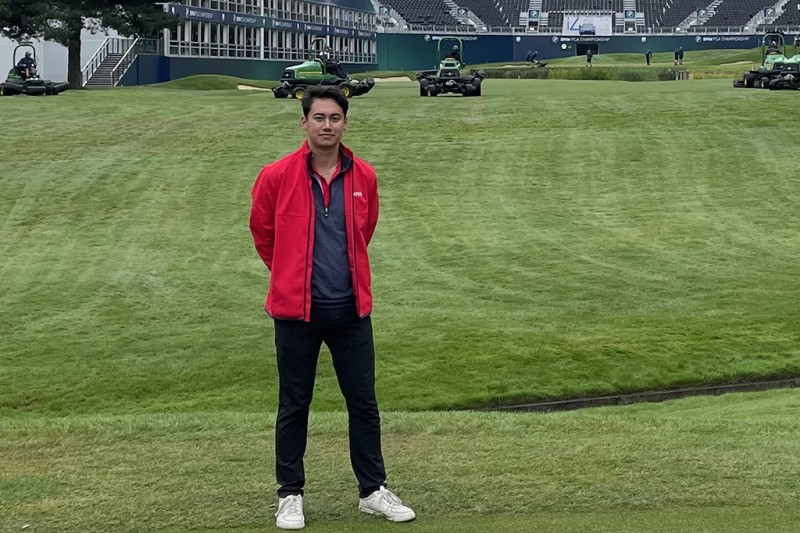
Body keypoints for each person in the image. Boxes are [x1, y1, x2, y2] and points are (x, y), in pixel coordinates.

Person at [249, 85, 416, 531]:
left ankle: (372, 490)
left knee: (364, 403)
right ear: (303, 123)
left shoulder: (364, 176)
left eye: (334, 118)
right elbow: (263, 234)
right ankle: (290, 494)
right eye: (318, 118)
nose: (327, 126)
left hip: (350, 311)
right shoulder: (276, 175)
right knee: (294, 404)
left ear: (345, 123)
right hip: (296, 313)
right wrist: (287, 273)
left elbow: (365, 231)